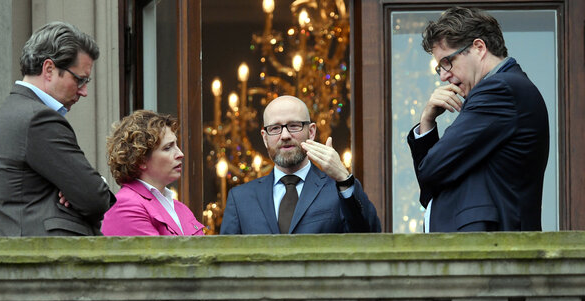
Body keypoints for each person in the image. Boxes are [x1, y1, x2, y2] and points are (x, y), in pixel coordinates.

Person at [408, 7, 549, 232]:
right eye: (439, 68)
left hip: (491, 251)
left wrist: (427, 122)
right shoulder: (504, 89)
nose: (444, 76)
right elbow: (431, 187)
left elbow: (431, 171)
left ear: (478, 47)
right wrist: (426, 122)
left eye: (447, 62)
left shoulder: (499, 89)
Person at [0, 22, 115, 236]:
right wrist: (93, 185)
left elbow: (86, 193)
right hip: (48, 259)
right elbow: (95, 199)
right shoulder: (39, 119)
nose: (84, 92)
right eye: (80, 80)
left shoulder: (19, 111)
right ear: (49, 69)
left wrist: (82, 188)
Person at [220, 95, 381, 234]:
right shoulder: (240, 198)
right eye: (275, 128)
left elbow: (370, 235)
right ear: (264, 137)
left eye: (293, 126)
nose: (285, 135)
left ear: (311, 132)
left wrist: (343, 178)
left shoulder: (338, 190)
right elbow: (225, 262)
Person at [102, 110, 204, 236]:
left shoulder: (181, 208)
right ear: (141, 159)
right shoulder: (126, 206)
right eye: (168, 148)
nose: (180, 154)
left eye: (176, 145)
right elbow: (161, 255)